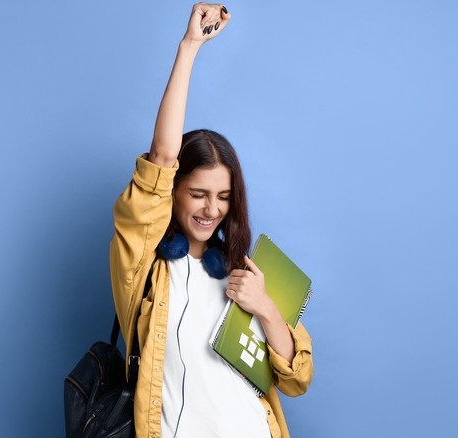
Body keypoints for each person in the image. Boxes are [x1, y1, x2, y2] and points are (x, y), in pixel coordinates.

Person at [109, 3, 313, 437]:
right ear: (174, 191)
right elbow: (162, 159)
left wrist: (265, 307)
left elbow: (297, 379)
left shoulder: (248, 271)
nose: (211, 209)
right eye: (198, 194)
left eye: (222, 197)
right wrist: (189, 48)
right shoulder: (145, 269)